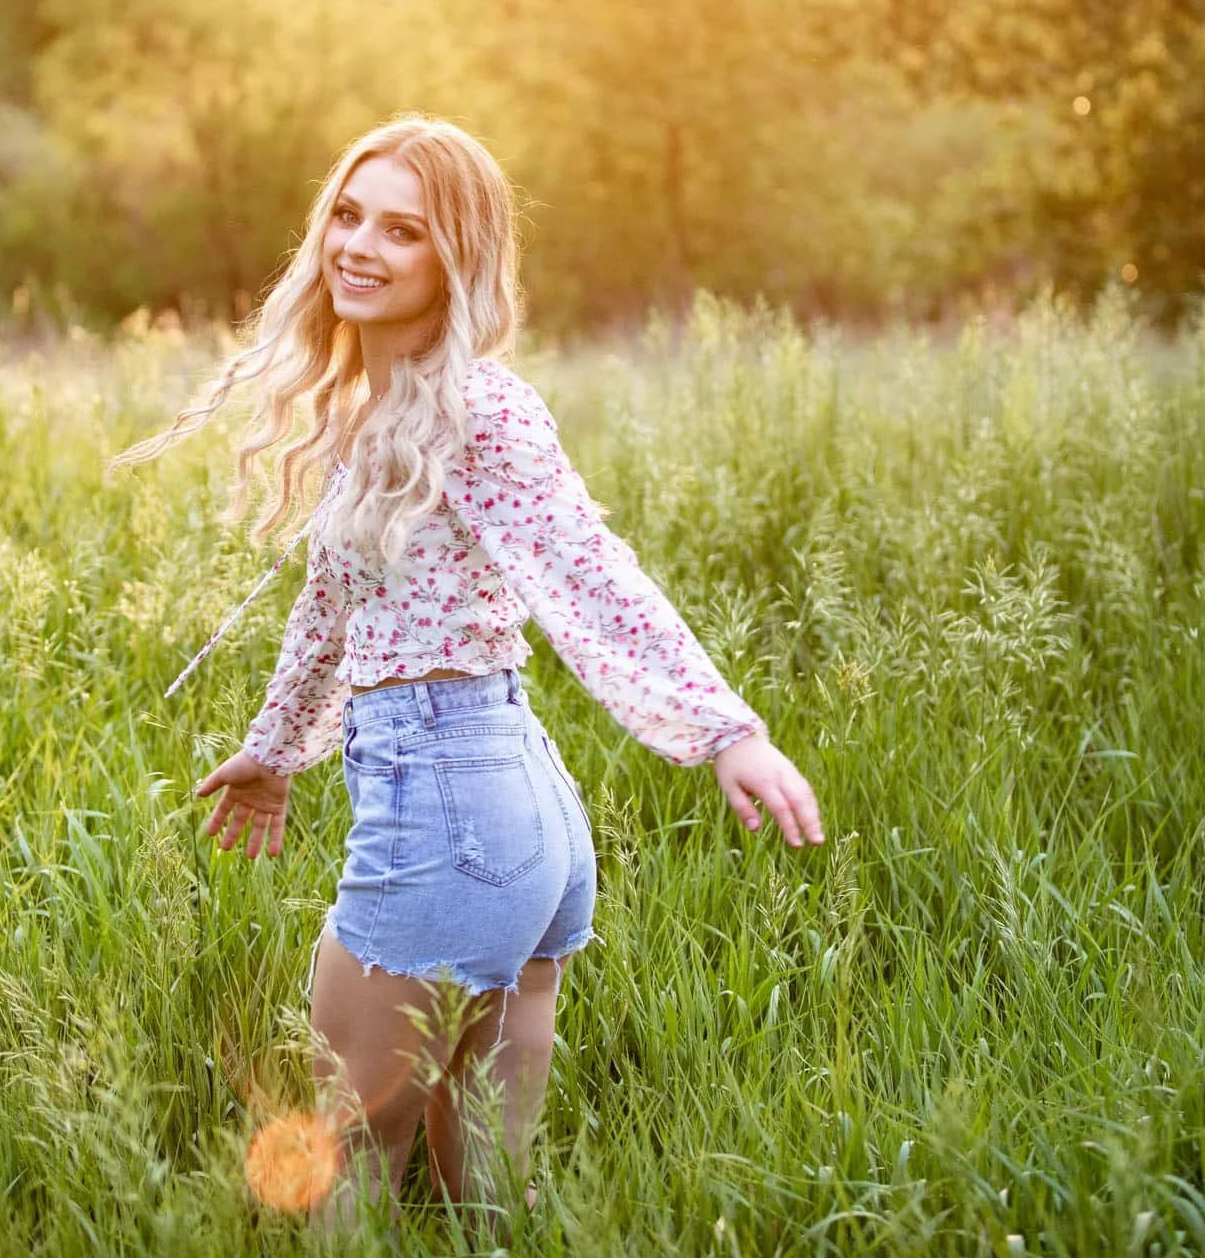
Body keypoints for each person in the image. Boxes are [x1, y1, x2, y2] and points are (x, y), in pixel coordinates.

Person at [108, 114, 825, 1229]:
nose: (359, 245)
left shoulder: (476, 407)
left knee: (336, 1168)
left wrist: (724, 729)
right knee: (483, 1199)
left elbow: (592, 570)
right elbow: (332, 610)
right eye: (348, 215)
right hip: (514, 808)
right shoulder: (376, 415)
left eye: (403, 230)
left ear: (458, 259)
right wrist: (277, 748)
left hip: (449, 807)